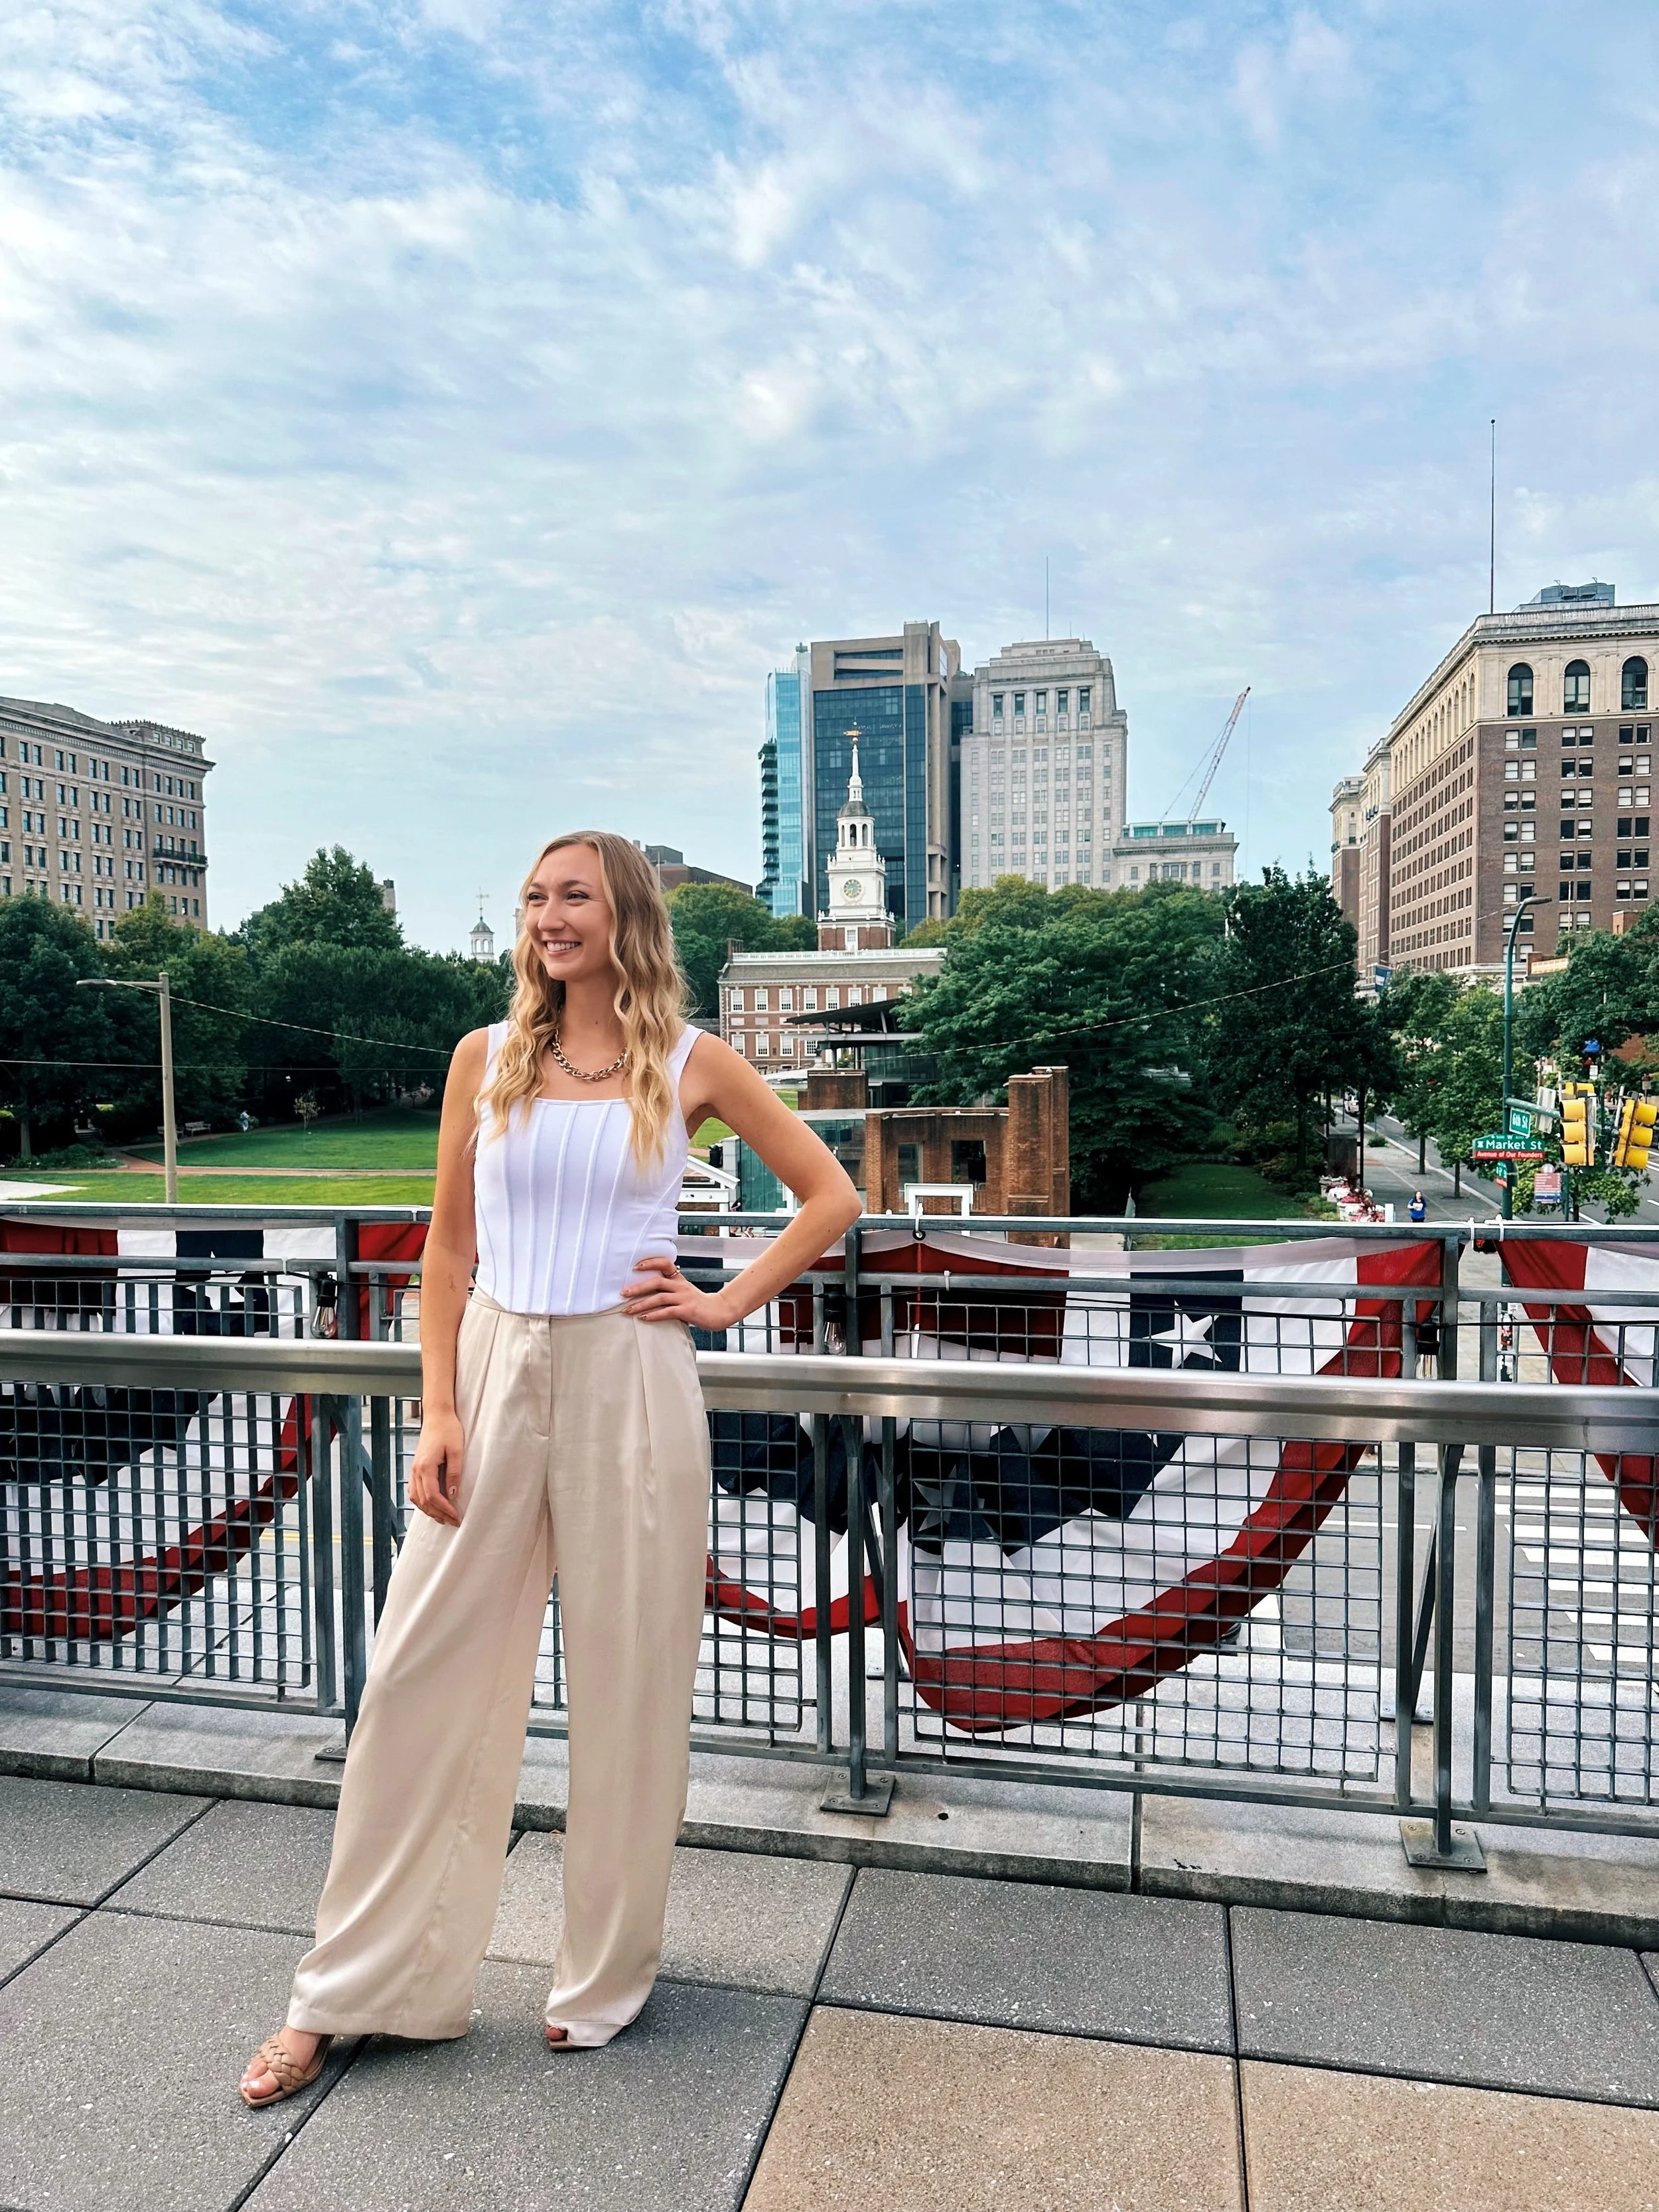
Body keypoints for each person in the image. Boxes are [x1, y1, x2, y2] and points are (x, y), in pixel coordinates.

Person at [240, 832, 860, 2105]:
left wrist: (722, 1300)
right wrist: (439, 1411)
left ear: (625, 915)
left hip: (633, 1379)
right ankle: (347, 1990)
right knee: (416, 1679)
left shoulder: (692, 1062)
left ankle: (601, 1977)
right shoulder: (488, 1057)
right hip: (496, 1367)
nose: (545, 915)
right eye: (533, 896)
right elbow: (445, 1256)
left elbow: (829, 1196)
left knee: (632, 1684)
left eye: (572, 895)